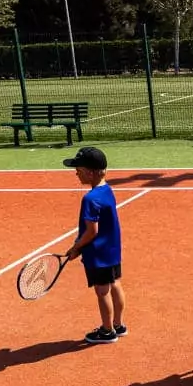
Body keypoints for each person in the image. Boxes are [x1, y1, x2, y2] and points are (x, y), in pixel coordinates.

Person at [61, 145, 125, 344]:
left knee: (102, 291)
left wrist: (76, 248)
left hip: (98, 254)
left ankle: (107, 331)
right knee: (115, 284)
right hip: (112, 251)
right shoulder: (107, 190)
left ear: (90, 172)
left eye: (78, 170)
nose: (76, 173)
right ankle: (118, 324)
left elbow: (91, 231)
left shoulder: (90, 199)